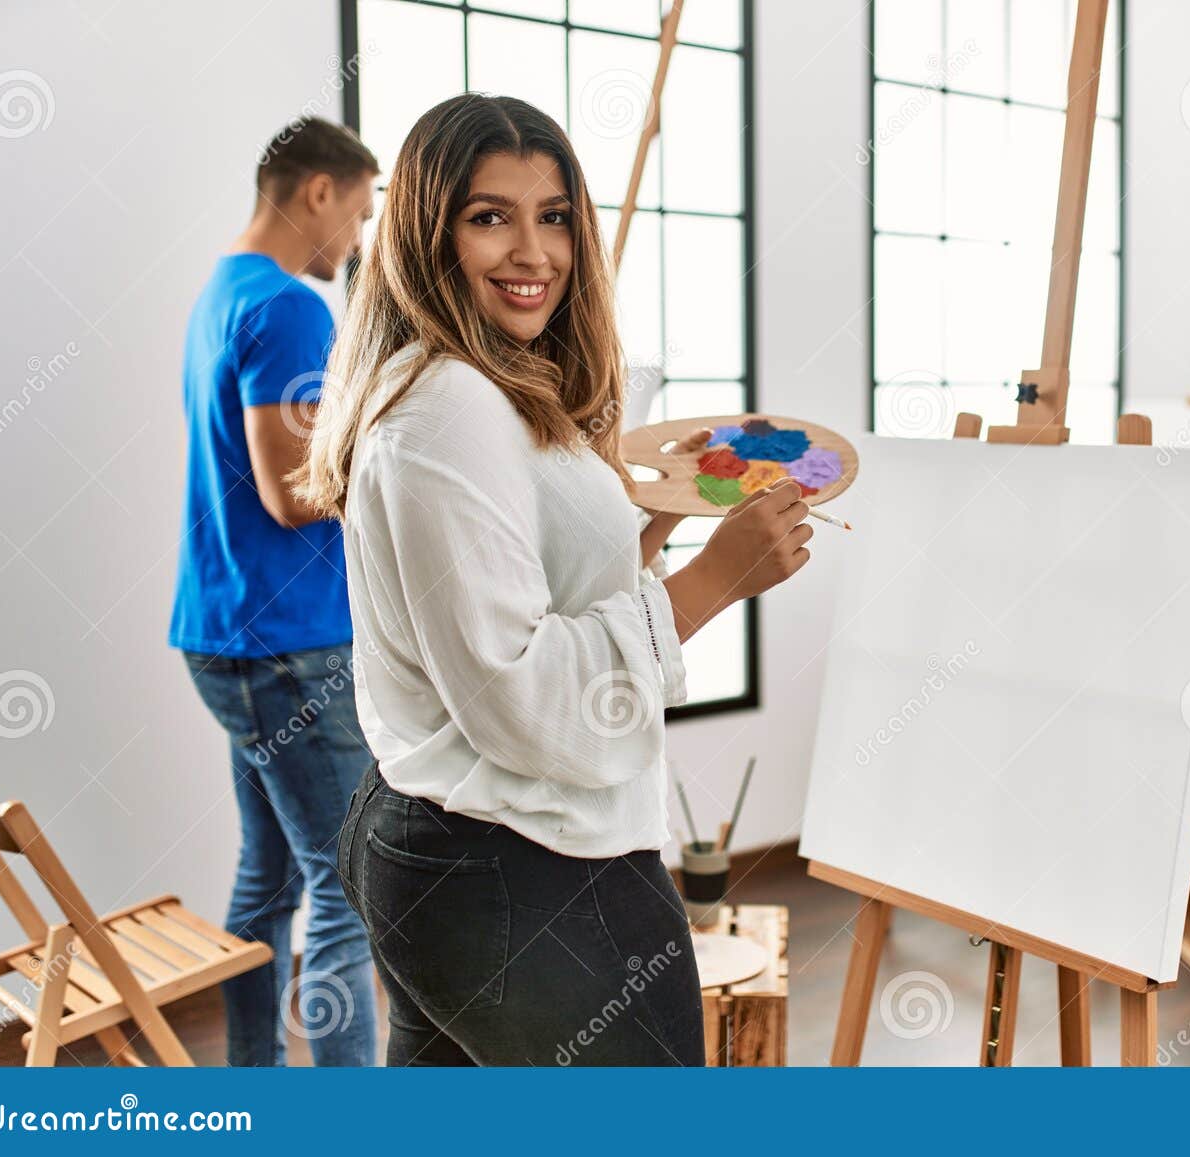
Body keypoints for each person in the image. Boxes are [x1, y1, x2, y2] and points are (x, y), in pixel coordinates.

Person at [294, 94, 812, 1066]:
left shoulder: (480, 382)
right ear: (428, 233)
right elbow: (517, 689)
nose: (533, 252)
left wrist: (656, 517)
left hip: (455, 849)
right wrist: (717, 578)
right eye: (490, 217)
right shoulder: (450, 407)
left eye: (555, 216)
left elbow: (525, 589)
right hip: (521, 860)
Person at [170, 117, 380, 1066]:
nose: (359, 238)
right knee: (348, 884)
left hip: (226, 632)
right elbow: (292, 494)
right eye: (360, 212)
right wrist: (390, 455)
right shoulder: (292, 305)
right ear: (318, 192)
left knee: (271, 877)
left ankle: (252, 1081)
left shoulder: (221, 291)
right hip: (287, 641)